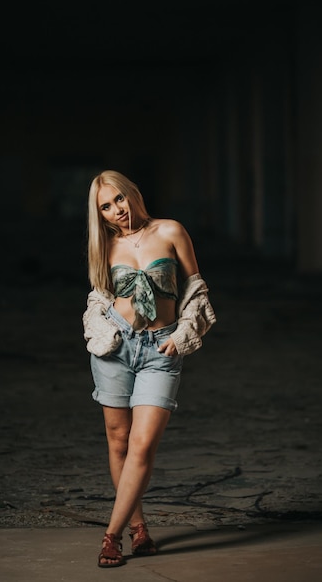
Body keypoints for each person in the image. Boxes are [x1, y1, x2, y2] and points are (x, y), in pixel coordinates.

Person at [83, 170, 216, 568]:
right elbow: (99, 297)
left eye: (118, 200)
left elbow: (195, 288)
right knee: (119, 441)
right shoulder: (103, 245)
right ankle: (138, 528)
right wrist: (102, 333)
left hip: (162, 348)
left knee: (142, 445)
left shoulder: (171, 231)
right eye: (105, 207)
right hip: (117, 348)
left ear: (132, 194)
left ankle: (111, 536)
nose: (115, 211)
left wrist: (185, 333)